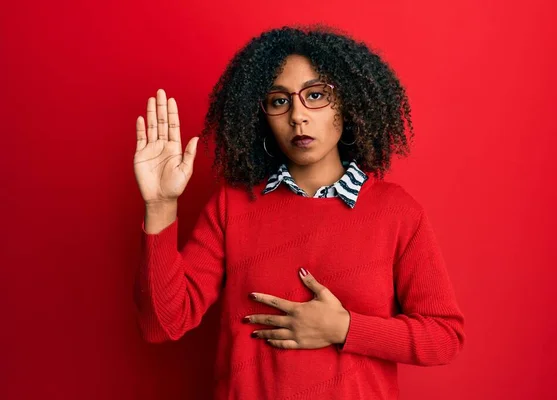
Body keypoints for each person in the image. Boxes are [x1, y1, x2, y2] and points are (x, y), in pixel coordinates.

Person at [133, 25, 465, 400]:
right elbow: (163, 324)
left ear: (348, 102)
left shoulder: (397, 212)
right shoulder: (233, 205)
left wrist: (345, 328)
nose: (298, 116)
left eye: (316, 95)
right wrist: (160, 206)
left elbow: (444, 337)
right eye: (279, 101)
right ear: (262, 116)